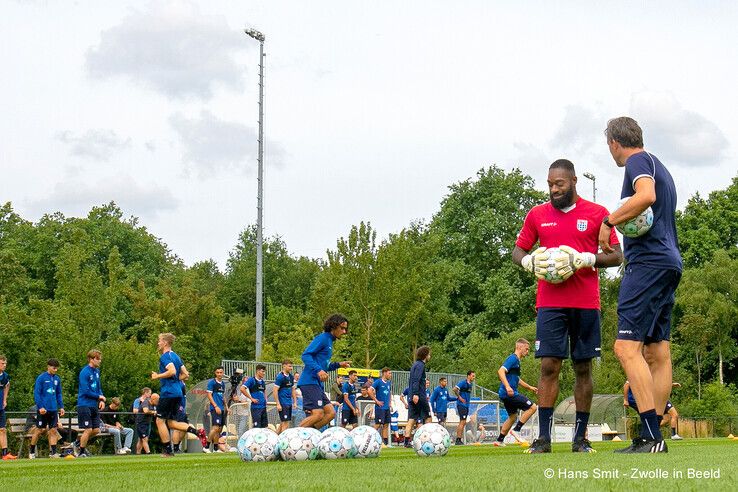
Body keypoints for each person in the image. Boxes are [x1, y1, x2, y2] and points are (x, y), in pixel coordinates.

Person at [513, 158, 623, 454]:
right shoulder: (537, 215)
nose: (553, 189)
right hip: (550, 303)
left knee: (583, 368)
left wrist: (587, 258)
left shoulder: (598, 213)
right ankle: (543, 440)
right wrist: (527, 260)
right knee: (549, 366)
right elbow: (518, 250)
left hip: (586, 304)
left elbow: (617, 256)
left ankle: (580, 439)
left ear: (574, 181)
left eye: (559, 184)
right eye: (550, 184)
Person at [600, 117, 682, 454]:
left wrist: (609, 221)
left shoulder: (637, 161)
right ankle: (655, 435)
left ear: (614, 144)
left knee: (625, 348)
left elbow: (645, 196)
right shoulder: (658, 165)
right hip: (668, 262)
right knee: (657, 351)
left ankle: (651, 436)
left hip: (648, 264)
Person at [150, 333, 207, 457]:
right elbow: (186, 374)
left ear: (165, 343)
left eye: (159, 341)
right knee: (171, 423)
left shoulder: (165, 356)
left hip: (168, 393)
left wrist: (157, 376)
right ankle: (197, 432)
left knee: (160, 420)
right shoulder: (175, 356)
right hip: (178, 393)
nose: (158, 343)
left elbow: (172, 371)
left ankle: (168, 450)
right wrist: (176, 380)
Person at [297, 314, 351, 429]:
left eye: (345, 329)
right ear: (333, 326)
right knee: (318, 414)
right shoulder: (323, 338)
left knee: (331, 413)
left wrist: (338, 364)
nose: (344, 331)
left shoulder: (329, 341)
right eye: (342, 328)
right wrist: (319, 370)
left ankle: (311, 434)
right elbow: (305, 355)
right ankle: (293, 437)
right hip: (309, 382)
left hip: (317, 384)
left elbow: (325, 366)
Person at [495, 339, 538, 447]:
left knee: (512, 416)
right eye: (526, 349)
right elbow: (501, 371)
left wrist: (529, 387)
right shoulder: (513, 358)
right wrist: (508, 386)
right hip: (509, 392)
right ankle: (516, 430)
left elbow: (516, 379)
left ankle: (499, 440)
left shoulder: (517, 361)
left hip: (505, 393)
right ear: (519, 347)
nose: (527, 352)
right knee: (532, 407)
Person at [30, 359, 65, 459]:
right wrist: (40, 406)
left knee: (53, 430)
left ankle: (53, 453)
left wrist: (61, 406)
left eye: (57, 368)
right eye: (54, 368)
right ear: (48, 366)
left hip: (53, 409)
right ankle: (32, 451)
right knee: (39, 430)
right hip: (43, 409)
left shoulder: (57, 379)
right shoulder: (41, 378)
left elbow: (59, 394)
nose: (56, 370)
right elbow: (37, 393)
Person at [74, 349, 105, 458]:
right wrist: (98, 396)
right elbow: (85, 390)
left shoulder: (96, 372)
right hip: (84, 404)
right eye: (98, 359)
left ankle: (77, 443)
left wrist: (101, 399)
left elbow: (98, 388)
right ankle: (81, 452)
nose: (100, 361)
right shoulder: (84, 372)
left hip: (93, 405)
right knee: (88, 429)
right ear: (91, 359)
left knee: (96, 430)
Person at [404, 346, 432, 447]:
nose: (430, 356)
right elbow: (416, 380)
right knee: (428, 417)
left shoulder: (414, 365)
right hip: (419, 395)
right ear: (425, 355)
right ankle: (427, 439)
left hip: (412, 395)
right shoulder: (420, 365)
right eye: (429, 354)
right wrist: (416, 394)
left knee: (412, 419)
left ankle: (406, 442)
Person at [205, 366, 227, 452]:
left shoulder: (223, 384)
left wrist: (227, 408)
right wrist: (215, 406)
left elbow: (223, 397)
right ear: (215, 373)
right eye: (217, 372)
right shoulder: (212, 382)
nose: (219, 374)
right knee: (215, 427)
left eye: (221, 372)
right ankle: (206, 447)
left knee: (219, 429)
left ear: (223, 373)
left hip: (221, 408)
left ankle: (215, 448)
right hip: (215, 408)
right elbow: (209, 395)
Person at [370, 367, 393, 446]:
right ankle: (369, 439)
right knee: (378, 424)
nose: (390, 375)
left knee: (386, 425)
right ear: (384, 373)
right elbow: (370, 390)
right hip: (380, 408)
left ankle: (385, 443)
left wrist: (390, 403)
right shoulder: (378, 382)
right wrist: (376, 401)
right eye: (389, 373)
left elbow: (389, 393)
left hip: (386, 408)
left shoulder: (388, 383)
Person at [0, 355, 17, 460]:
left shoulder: (5, 376)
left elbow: (7, 385)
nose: (4, 365)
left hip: (0, 407)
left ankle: (5, 454)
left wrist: (5, 399)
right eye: (2, 363)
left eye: (5, 363)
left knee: (2, 429)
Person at [273, 359, 297, 434]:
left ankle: (275, 437)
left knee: (284, 422)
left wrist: (295, 402)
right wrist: (278, 404)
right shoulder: (280, 377)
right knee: (285, 424)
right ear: (284, 366)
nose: (291, 368)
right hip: (283, 403)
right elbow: (275, 390)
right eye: (289, 366)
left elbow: (293, 390)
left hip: (289, 403)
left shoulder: (291, 377)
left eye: (291, 366)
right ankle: (283, 443)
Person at [241, 364, 268, 429]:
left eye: (264, 371)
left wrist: (265, 399)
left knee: (264, 427)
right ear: (257, 371)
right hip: (256, 408)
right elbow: (242, 388)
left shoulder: (263, 382)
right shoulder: (251, 380)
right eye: (262, 371)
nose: (264, 373)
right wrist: (251, 398)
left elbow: (264, 391)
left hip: (263, 407)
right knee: (256, 427)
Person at [453, 371, 475, 445]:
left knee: (463, 422)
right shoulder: (463, 383)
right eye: (472, 376)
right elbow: (455, 389)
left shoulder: (470, 384)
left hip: (466, 405)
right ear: (468, 376)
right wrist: (460, 397)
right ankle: (458, 439)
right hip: (461, 405)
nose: (473, 377)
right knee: (462, 421)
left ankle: (459, 439)